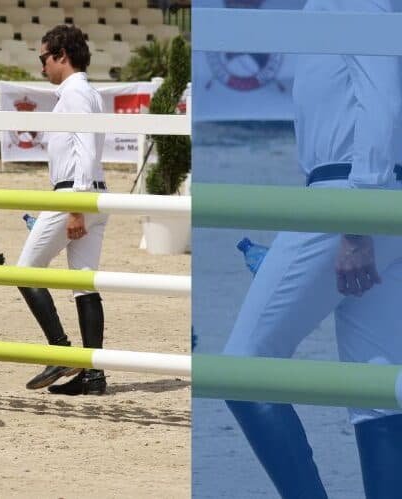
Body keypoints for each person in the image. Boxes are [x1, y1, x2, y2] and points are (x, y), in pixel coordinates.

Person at [219, 1, 402, 496]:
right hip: (368, 196)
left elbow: (384, 105)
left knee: (241, 369)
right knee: (378, 393)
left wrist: (357, 226)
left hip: (350, 198)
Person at [15, 25, 109, 395]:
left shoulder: (75, 94)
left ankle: (60, 351)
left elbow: (85, 147)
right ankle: (94, 374)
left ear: (61, 56)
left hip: (76, 193)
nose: (42, 67)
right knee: (83, 285)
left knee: (24, 272)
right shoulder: (88, 92)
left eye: (44, 59)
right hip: (90, 194)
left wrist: (75, 207)